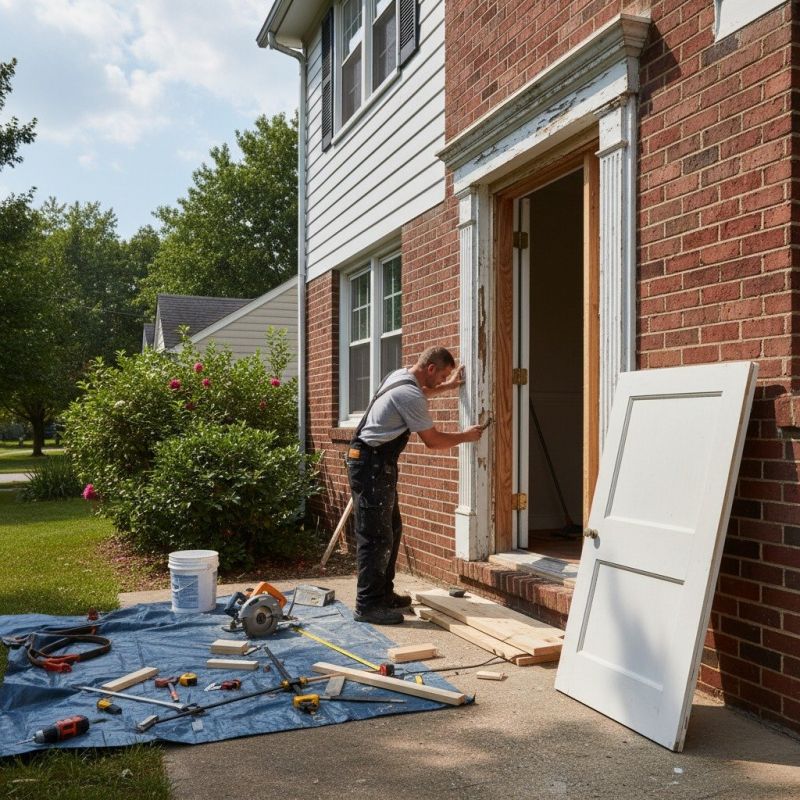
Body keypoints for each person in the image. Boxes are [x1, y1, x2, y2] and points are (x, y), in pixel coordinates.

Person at [346, 345, 484, 625]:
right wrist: (466, 436)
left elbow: (422, 392)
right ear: (430, 368)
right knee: (375, 537)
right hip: (371, 464)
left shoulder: (399, 376)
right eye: (441, 376)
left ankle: (383, 594)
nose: (442, 380)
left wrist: (448, 387)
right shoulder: (409, 394)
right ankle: (367, 605)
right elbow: (433, 441)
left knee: (391, 529)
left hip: (374, 463)